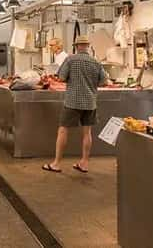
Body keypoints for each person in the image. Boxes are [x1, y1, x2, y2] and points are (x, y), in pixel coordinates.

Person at [43, 35, 107, 174]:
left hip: (72, 101)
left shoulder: (70, 60)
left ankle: (56, 163)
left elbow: (61, 77)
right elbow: (104, 82)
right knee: (87, 132)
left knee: (63, 130)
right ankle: (84, 163)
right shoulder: (95, 62)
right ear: (88, 46)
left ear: (76, 46)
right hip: (90, 102)